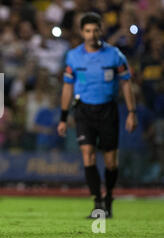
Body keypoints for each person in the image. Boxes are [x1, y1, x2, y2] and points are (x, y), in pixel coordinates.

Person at [57, 12, 137, 218]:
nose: (92, 34)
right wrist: (63, 118)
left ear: (101, 30)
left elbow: (126, 83)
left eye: (95, 30)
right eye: (87, 31)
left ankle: (109, 196)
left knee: (111, 161)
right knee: (88, 155)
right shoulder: (74, 56)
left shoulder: (114, 55)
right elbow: (67, 87)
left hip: (108, 110)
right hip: (84, 110)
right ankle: (97, 202)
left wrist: (131, 112)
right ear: (82, 32)